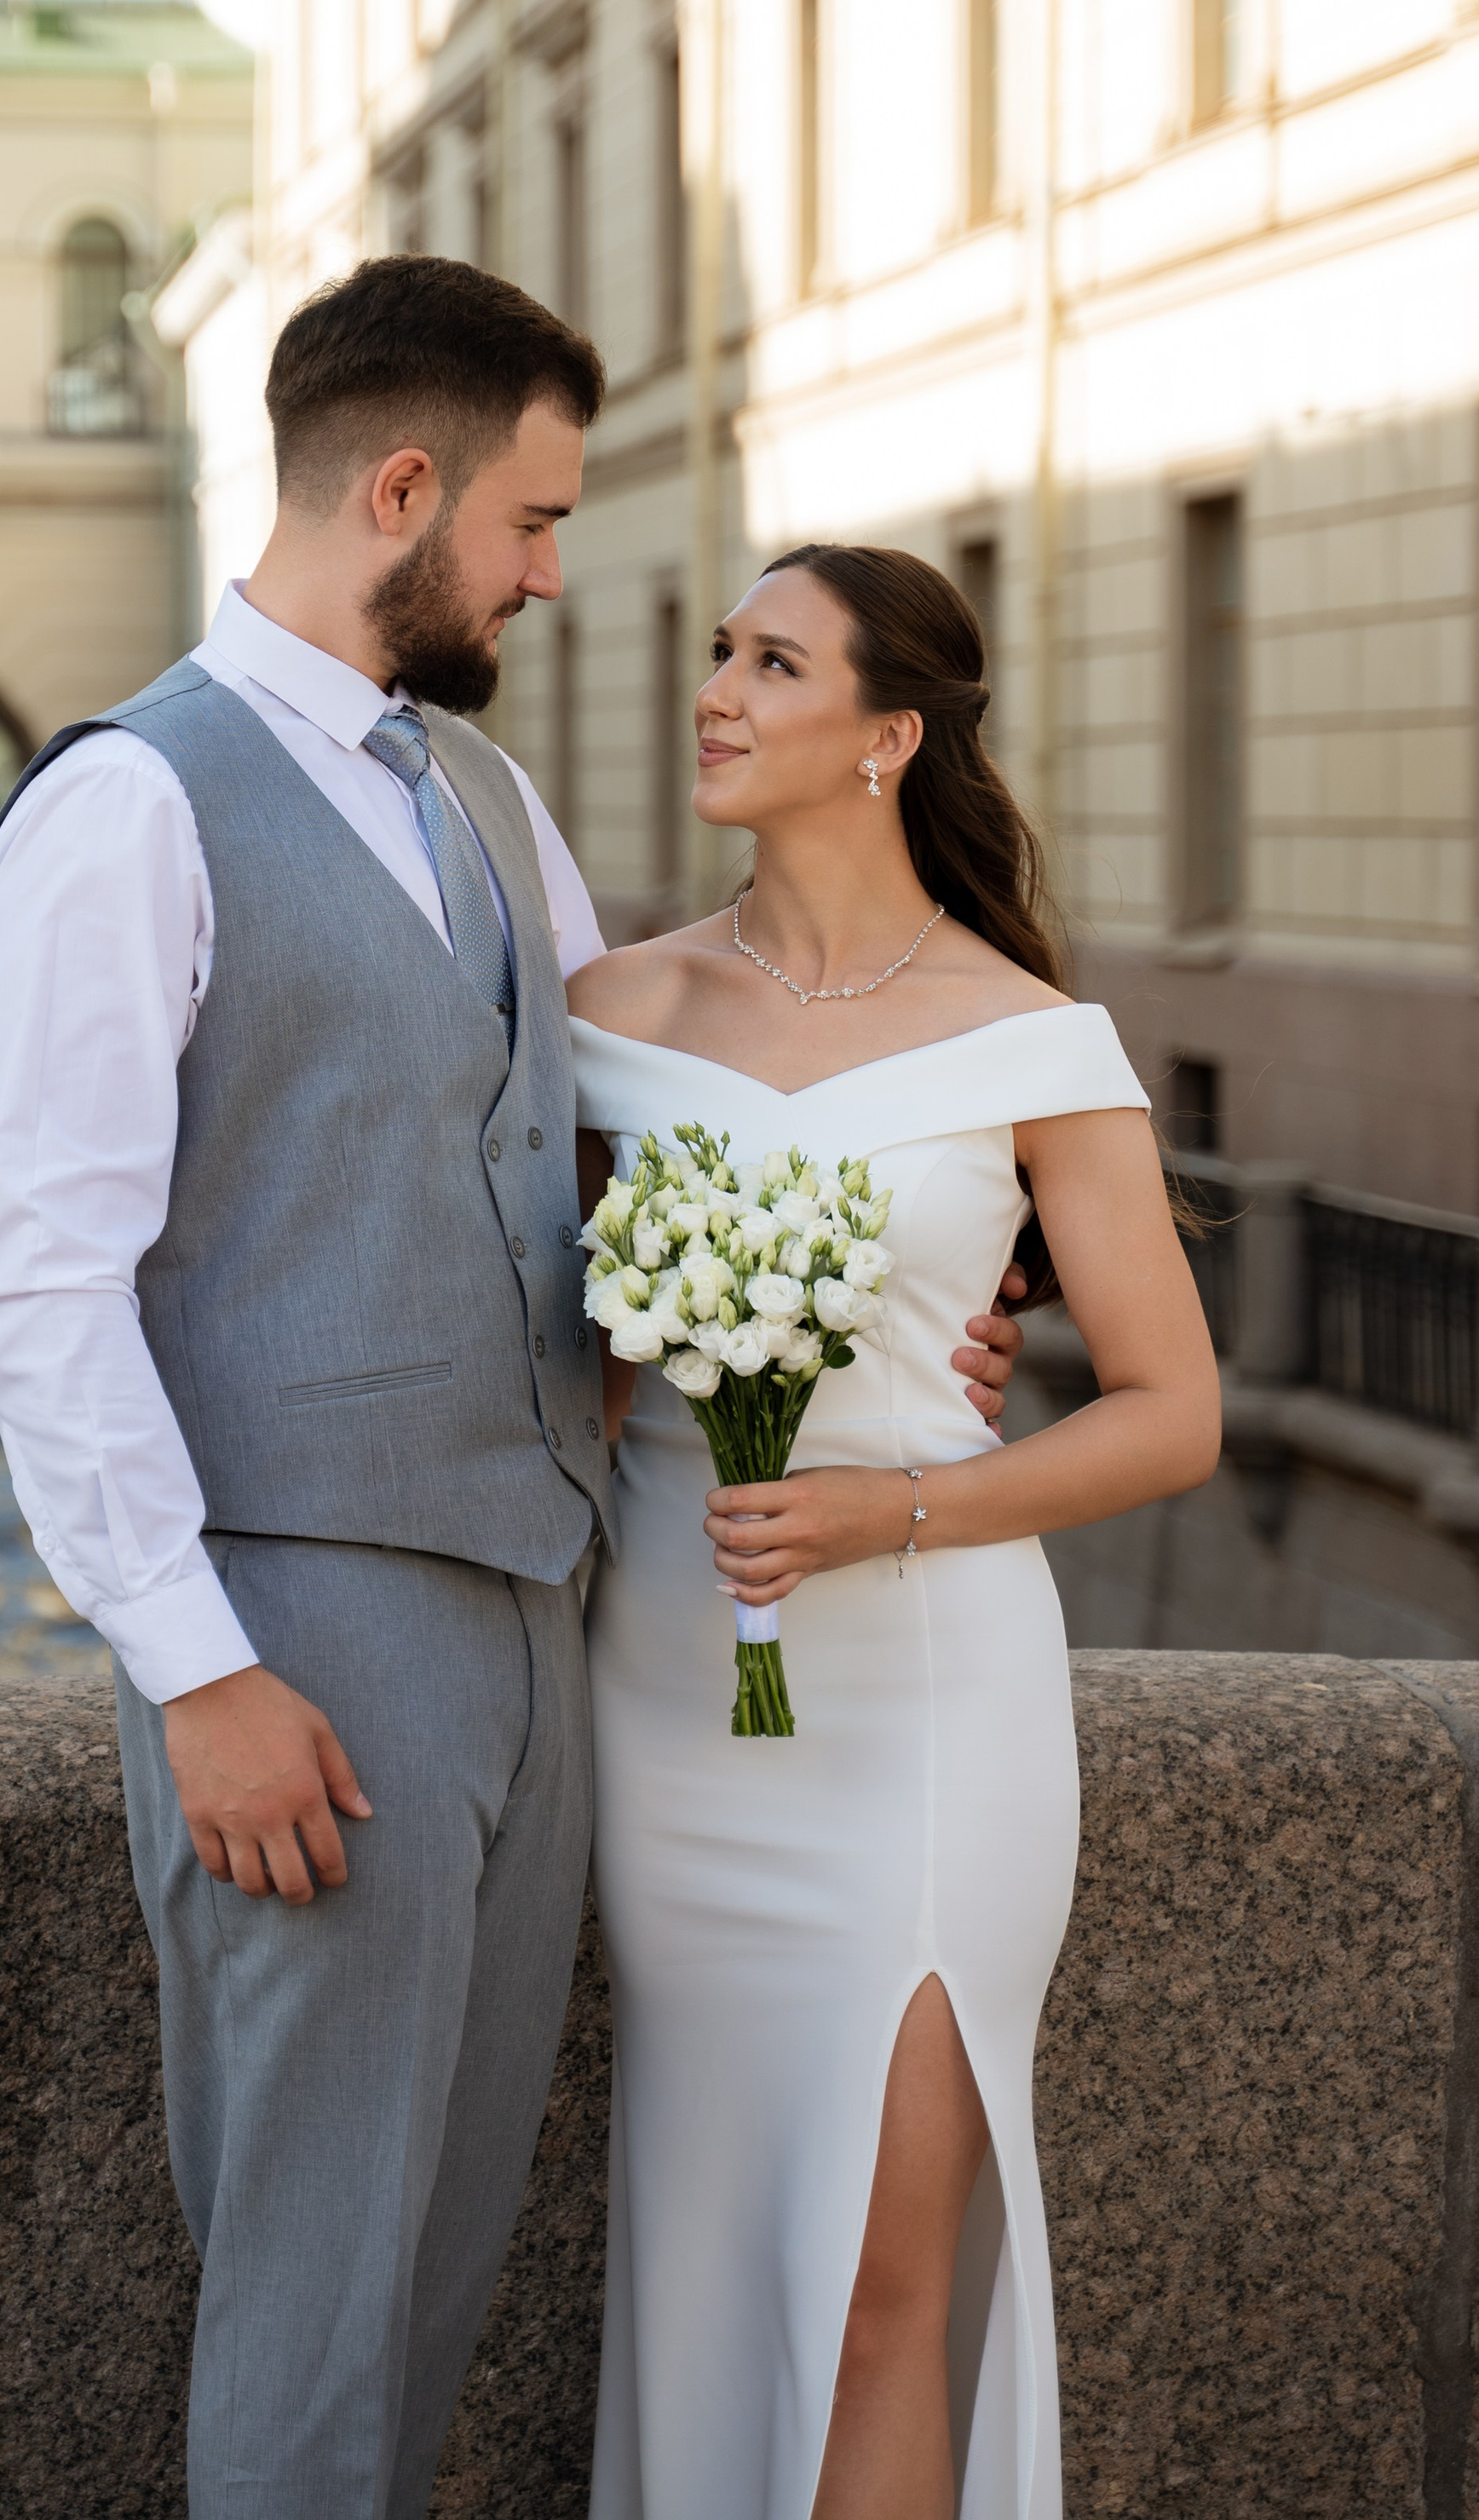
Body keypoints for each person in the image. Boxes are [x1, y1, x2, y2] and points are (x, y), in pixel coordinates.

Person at [0, 263, 1027, 2520]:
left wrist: (886, 1302)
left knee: (431, 2274)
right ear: (404, 488)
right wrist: (197, 1671)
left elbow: (620, 1131)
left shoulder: (485, 793)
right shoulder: (128, 808)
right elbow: (39, 1290)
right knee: (315, 2296)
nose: (553, 574)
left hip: (543, 1620)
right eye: (534, 523)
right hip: (310, 1642)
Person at [567, 544, 1221, 2520]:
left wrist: (891, 1508)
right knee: (707, 2252)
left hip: (928, 1716)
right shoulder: (607, 1008)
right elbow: (557, 1370)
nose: (717, 692)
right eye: (715, 655)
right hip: (667, 1702)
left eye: (771, 663)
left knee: (877, 2281)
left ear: (884, 738)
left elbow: (1170, 1412)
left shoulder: (1032, 1041)